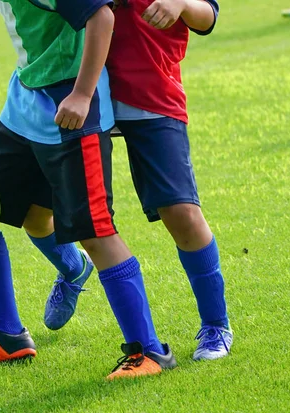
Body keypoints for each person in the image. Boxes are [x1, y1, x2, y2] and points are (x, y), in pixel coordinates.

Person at [0, 0, 177, 379]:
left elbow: (102, 16)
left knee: (95, 231)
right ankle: (6, 335)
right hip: (26, 100)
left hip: (72, 109)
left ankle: (148, 351)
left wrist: (83, 94)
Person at [102, 0, 233, 361]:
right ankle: (71, 268)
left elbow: (208, 17)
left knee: (181, 213)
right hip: (82, 92)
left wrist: (180, 4)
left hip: (152, 95)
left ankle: (216, 325)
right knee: (56, 206)